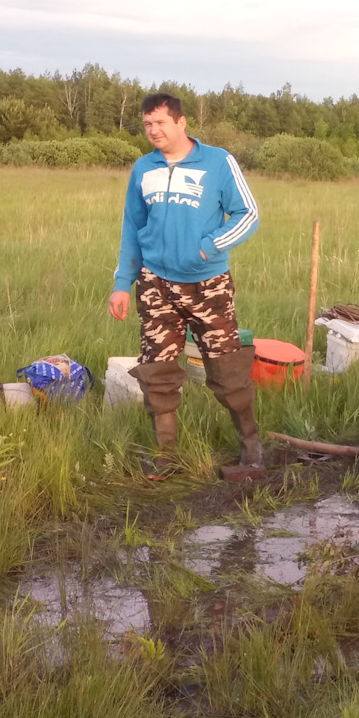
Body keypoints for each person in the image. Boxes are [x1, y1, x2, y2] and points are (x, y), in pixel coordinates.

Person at [110, 93, 263, 475]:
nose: (153, 131)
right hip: (155, 284)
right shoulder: (143, 168)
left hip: (206, 285)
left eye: (160, 123)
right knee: (157, 370)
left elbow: (248, 214)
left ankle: (251, 449)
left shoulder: (217, 161)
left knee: (227, 369)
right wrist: (122, 282)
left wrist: (209, 248)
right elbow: (132, 226)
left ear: (181, 123)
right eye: (147, 124)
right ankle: (167, 457)